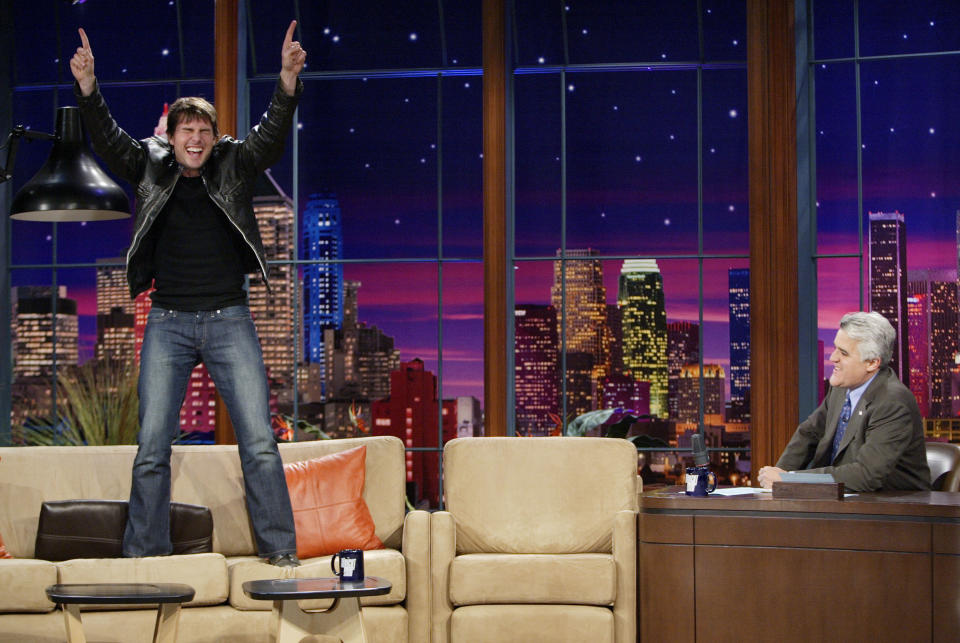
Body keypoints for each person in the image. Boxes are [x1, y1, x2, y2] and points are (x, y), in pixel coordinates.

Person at [70, 22, 307, 567]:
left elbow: (269, 134)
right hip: (168, 322)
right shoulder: (149, 167)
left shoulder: (235, 165)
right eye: (185, 131)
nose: (195, 139)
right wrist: (88, 89)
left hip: (229, 320)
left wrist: (287, 82)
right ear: (170, 139)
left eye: (203, 130)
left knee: (259, 443)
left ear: (213, 136)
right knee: (152, 447)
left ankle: (280, 554)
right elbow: (107, 139)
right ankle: (145, 557)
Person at [758, 311, 930, 492]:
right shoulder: (841, 389)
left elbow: (865, 475)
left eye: (844, 353)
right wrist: (779, 476)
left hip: (894, 509)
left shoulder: (892, 402)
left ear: (871, 363)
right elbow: (809, 433)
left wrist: (789, 480)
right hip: (844, 502)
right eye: (835, 348)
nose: (832, 358)